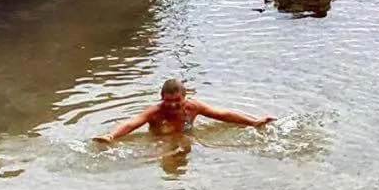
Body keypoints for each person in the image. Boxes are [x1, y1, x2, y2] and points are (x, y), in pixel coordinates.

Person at [94, 78, 274, 143]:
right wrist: (111, 136)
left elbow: (222, 114)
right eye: (168, 101)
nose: (172, 105)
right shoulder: (155, 112)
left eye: (177, 101)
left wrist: (253, 122)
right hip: (160, 141)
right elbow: (132, 123)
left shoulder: (193, 107)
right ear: (162, 97)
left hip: (186, 137)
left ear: (184, 98)